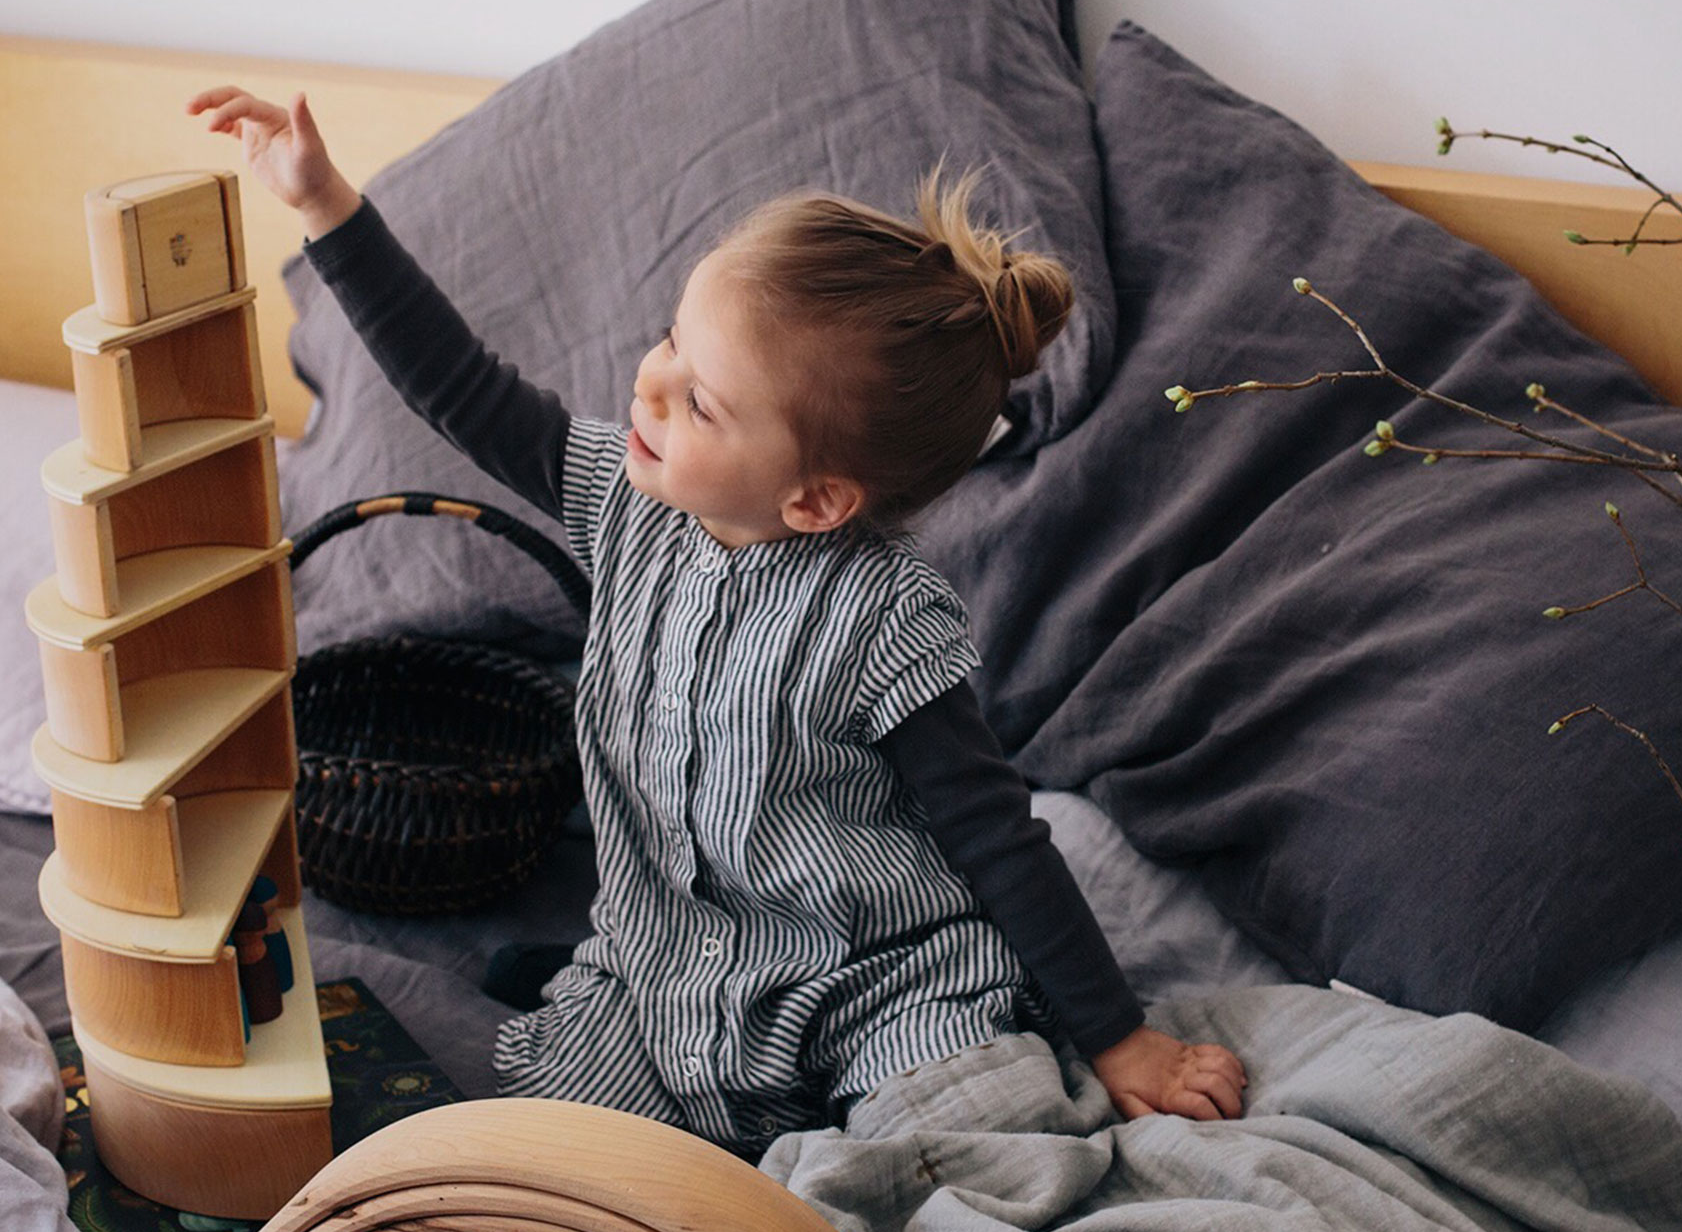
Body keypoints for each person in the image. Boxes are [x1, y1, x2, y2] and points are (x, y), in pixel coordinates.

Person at [188, 85, 1248, 1157]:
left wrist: (1118, 1038)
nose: (651, 389)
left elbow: (997, 840)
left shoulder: (882, 617)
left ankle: (876, 1158)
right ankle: (636, 1060)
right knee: (554, 1146)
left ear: (817, 499)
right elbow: (457, 384)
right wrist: (324, 203)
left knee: (977, 1131)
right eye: (669, 344)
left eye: (701, 403)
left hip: (873, 973)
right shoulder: (622, 499)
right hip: (674, 966)